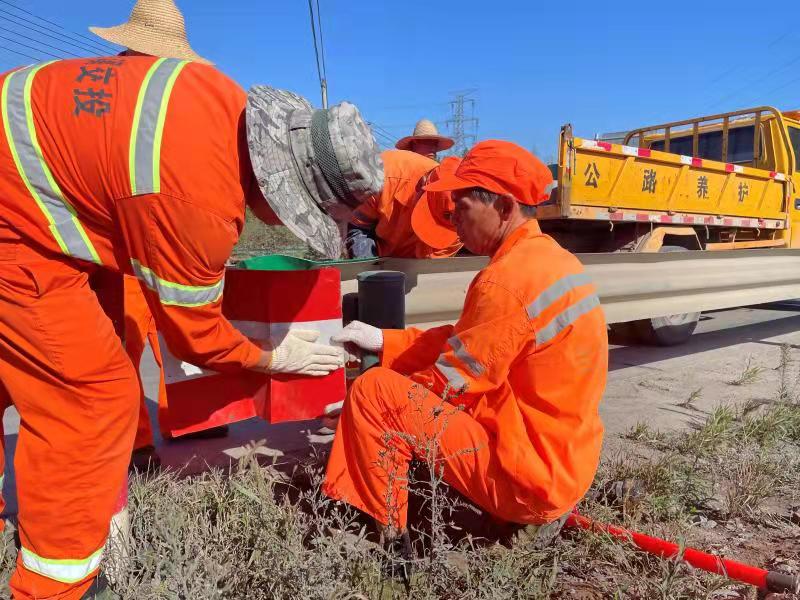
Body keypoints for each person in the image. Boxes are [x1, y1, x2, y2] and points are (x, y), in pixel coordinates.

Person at [0, 50, 382, 597]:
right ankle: (57, 584)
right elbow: (192, 337)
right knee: (93, 396)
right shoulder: (198, 204)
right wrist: (273, 356)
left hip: (41, 197)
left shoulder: (215, 95)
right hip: (15, 220)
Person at [326, 141, 607, 570]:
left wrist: (359, 413)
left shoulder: (505, 282)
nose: (452, 215)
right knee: (387, 393)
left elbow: (446, 386)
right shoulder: (551, 261)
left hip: (527, 481)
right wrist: (388, 343)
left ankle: (388, 547)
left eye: (462, 203)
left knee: (374, 394)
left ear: (504, 205)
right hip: (561, 463)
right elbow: (467, 342)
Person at [91, 0, 220, 470]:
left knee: (151, 341)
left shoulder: (118, 97)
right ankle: (143, 438)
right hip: (131, 250)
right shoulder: (153, 102)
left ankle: (160, 432)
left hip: (138, 248)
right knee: (145, 342)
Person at [346, 152, 463, 258]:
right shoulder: (379, 178)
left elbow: (433, 264)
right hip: (377, 249)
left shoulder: (464, 223)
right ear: (421, 185)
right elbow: (356, 227)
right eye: (427, 215)